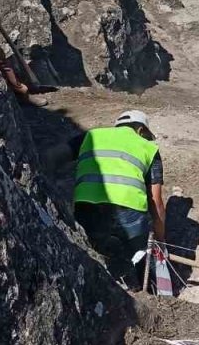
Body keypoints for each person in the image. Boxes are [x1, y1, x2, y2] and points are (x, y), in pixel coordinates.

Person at [67, 110, 167, 287]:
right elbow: (156, 200)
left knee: (92, 247)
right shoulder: (148, 147)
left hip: (86, 205)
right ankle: (158, 293)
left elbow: (54, 156)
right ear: (141, 130)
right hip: (129, 206)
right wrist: (160, 239)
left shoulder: (90, 136)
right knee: (143, 254)